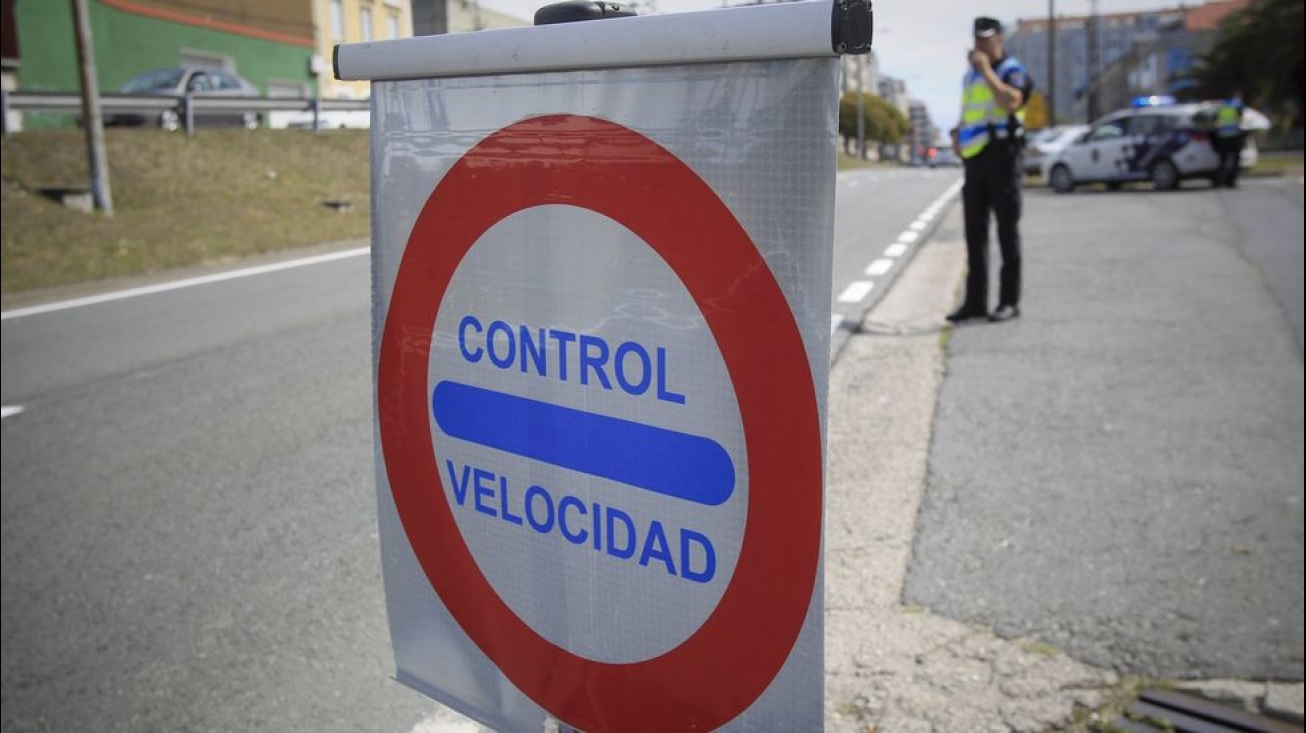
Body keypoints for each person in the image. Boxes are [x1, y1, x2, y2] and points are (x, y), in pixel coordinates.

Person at [947, 16, 1033, 324]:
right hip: (975, 160)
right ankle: (975, 302)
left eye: (987, 39)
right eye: (977, 40)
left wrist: (985, 70)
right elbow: (970, 112)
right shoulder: (969, 77)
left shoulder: (1012, 70)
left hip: (1004, 157)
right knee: (974, 233)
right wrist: (957, 134)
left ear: (999, 39)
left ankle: (1009, 302)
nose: (980, 46)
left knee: (1006, 231)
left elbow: (1012, 103)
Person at [1213, 90, 1246, 188]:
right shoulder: (1237, 104)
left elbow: (1215, 121)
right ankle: (1231, 182)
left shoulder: (1220, 106)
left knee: (1222, 161)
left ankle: (1219, 181)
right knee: (1235, 160)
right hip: (1235, 135)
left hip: (1223, 136)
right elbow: (1241, 118)